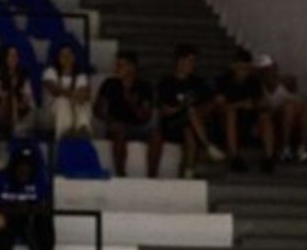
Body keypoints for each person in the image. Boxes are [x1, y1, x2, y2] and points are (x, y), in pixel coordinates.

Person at [96, 52, 162, 178]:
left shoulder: (144, 86)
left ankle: (152, 175)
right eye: (117, 65)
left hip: (138, 127)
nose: (117, 68)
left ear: (132, 68)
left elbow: (146, 116)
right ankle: (121, 174)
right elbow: (98, 110)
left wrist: (132, 103)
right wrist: (111, 121)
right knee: (120, 130)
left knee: (156, 134)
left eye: (121, 65)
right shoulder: (109, 83)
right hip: (116, 126)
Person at [158, 45, 221, 177]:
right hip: (173, 123)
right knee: (190, 113)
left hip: (195, 125)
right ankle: (207, 145)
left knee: (189, 131)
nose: (193, 64)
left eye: (194, 61)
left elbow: (211, 102)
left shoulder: (198, 82)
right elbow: (166, 111)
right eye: (190, 61)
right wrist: (184, 106)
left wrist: (202, 109)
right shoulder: (167, 83)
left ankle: (188, 173)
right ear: (180, 61)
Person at [0, 149, 53, 250]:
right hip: (7, 218)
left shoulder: (40, 180)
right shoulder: (0, 178)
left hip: (30, 219)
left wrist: (28, 208)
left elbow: (44, 204)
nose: (24, 168)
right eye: (21, 164)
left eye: (28, 164)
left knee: (44, 221)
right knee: (1, 221)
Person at [213, 49, 272, 173]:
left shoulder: (253, 81)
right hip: (226, 122)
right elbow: (219, 106)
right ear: (234, 66)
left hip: (248, 121)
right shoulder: (223, 81)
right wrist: (240, 104)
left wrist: (253, 104)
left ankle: (268, 158)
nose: (243, 72)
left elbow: (265, 103)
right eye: (240, 68)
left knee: (265, 116)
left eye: (246, 68)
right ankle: (235, 157)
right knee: (231, 114)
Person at [257, 55, 307, 163]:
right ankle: (285, 147)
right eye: (266, 70)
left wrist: (277, 79)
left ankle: (302, 148)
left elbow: (292, 84)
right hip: (276, 117)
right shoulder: (259, 87)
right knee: (289, 108)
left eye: (271, 68)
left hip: (293, 113)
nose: (269, 72)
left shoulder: (285, 81)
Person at [44, 44, 95, 140]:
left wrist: (75, 98)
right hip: (52, 112)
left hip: (74, 108)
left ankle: (83, 131)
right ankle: (63, 137)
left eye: (69, 55)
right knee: (62, 102)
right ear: (58, 58)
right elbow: (54, 90)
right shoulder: (51, 72)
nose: (66, 58)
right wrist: (73, 96)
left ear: (74, 58)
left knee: (83, 104)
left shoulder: (81, 75)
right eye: (63, 55)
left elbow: (84, 94)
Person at [0, 43, 37, 137]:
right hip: (0, 109)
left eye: (16, 56)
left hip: (20, 110)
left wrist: (24, 100)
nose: (14, 58)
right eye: (11, 56)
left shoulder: (23, 74)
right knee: (7, 101)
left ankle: (19, 131)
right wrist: (7, 93)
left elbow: (29, 97)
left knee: (33, 114)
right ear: (5, 58)